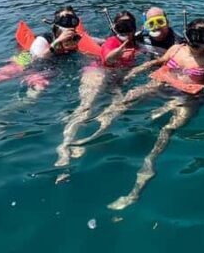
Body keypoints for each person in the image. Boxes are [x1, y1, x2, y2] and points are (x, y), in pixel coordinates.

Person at [74, 18, 204, 209]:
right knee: (125, 101)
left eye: (202, 38)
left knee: (167, 129)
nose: (196, 42)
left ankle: (147, 166)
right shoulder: (177, 49)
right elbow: (158, 63)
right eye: (193, 36)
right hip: (161, 84)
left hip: (187, 97)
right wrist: (133, 73)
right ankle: (94, 133)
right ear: (187, 35)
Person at [53, 10, 141, 180]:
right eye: (121, 26)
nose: (126, 30)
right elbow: (107, 57)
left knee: (115, 110)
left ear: (135, 27)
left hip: (117, 81)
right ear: (115, 28)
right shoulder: (110, 42)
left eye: (129, 26)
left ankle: (85, 139)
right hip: (97, 71)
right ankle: (63, 148)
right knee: (86, 107)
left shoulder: (138, 46)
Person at [0, 7, 83, 141]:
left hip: (54, 66)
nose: (68, 24)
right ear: (56, 23)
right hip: (32, 62)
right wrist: (57, 42)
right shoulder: (43, 40)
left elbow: (94, 43)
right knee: (32, 94)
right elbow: (37, 58)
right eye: (64, 19)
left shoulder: (76, 38)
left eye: (72, 19)